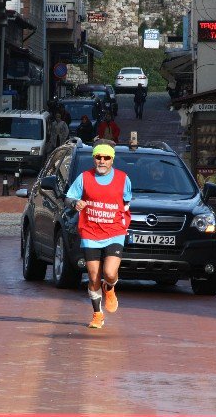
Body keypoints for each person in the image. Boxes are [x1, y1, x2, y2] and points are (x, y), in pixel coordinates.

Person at [65, 140, 132, 329]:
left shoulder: (123, 178)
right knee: (94, 276)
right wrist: (74, 203)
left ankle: (109, 288)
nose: (102, 161)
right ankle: (97, 314)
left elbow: (127, 201)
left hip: (114, 231)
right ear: (94, 159)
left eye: (106, 158)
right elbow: (69, 197)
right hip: (90, 231)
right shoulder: (84, 177)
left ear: (112, 160)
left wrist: (121, 215)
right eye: (98, 157)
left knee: (109, 273)